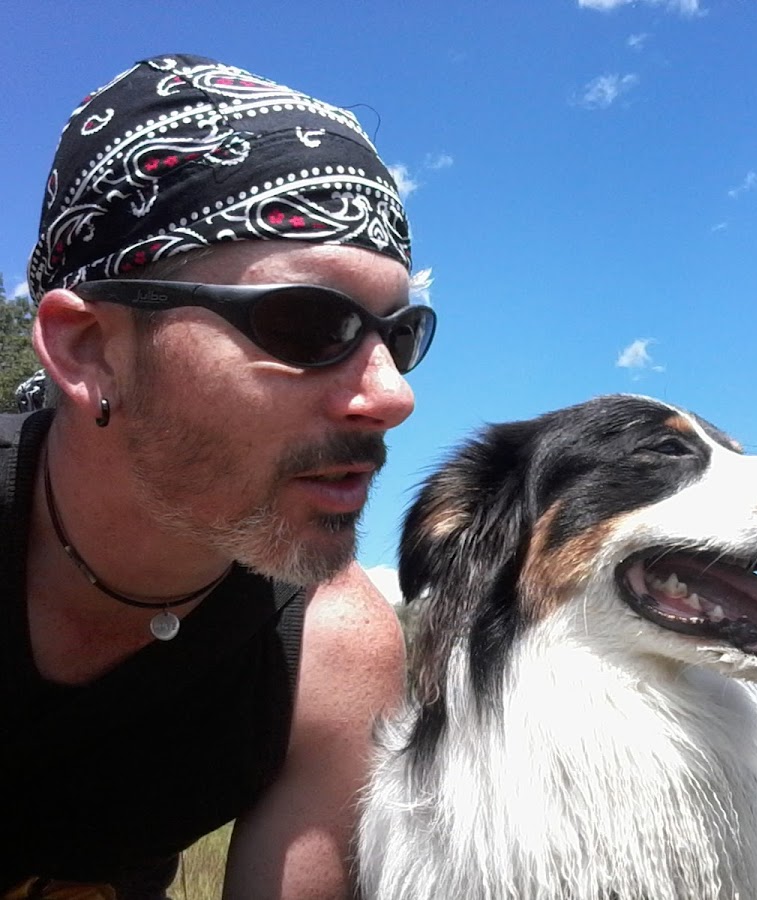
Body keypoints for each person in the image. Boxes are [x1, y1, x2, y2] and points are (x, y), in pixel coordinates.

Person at [1, 54, 436, 900]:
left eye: (400, 334)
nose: (394, 397)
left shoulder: (332, 648)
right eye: (311, 322)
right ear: (90, 350)